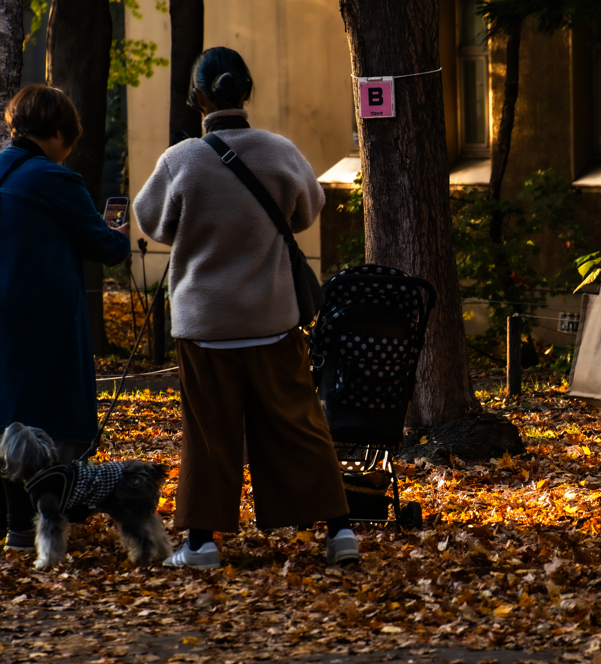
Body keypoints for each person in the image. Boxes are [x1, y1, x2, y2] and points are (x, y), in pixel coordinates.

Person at [133, 47, 356, 569]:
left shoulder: (181, 160)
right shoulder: (280, 151)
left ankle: (203, 543)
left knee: (210, 436)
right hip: (272, 321)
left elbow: (152, 222)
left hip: (206, 326)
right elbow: (308, 212)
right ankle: (340, 531)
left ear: (197, 96)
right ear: (247, 93)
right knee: (299, 425)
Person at [0, 85, 131, 550]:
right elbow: (105, 246)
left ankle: (11, 523)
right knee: (44, 419)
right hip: (41, 321)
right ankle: (32, 526)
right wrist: (118, 230)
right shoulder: (55, 179)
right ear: (57, 133)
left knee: (7, 412)